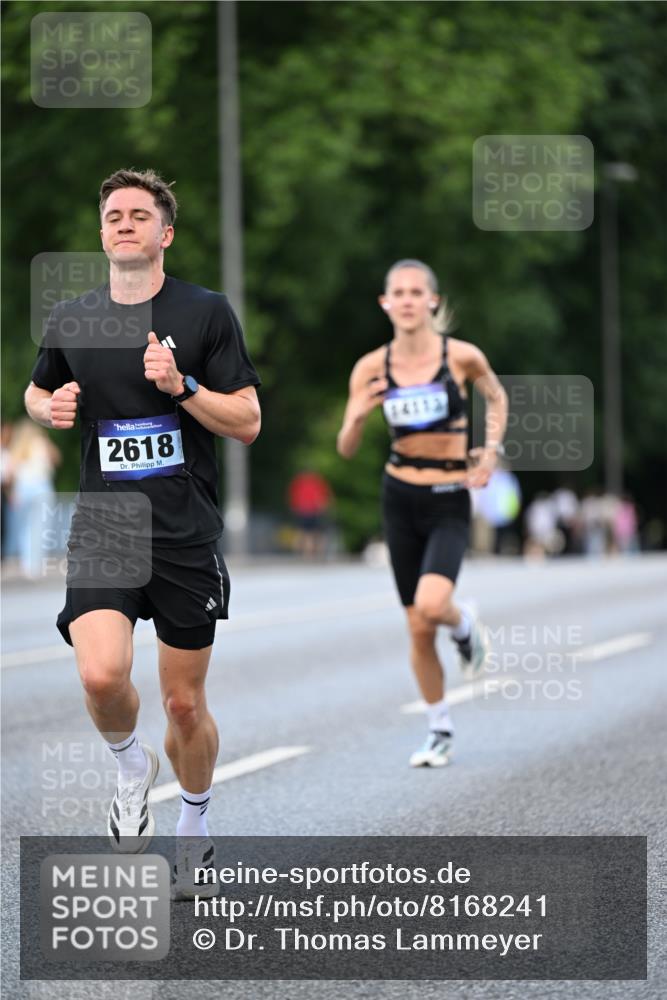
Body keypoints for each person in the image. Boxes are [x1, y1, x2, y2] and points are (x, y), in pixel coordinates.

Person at [24, 168, 261, 896]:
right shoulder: (72, 318)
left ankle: (194, 825)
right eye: (113, 216)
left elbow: (247, 421)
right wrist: (49, 407)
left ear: (165, 233)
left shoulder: (204, 314)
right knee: (100, 675)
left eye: (138, 215)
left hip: (184, 529)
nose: (124, 224)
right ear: (102, 233)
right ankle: (131, 763)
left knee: (184, 704)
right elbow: (36, 390)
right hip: (107, 525)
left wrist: (182, 387)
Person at [337, 259, 507, 767]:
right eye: (398, 293)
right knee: (416, 627)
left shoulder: (462, 357)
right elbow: (346, 445)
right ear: (385, 303)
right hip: (399, 497)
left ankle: (464, 624)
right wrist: (360, 416)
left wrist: (490, 449)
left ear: (432, 300)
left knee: (434, 606)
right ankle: (439, 729)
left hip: (448, 496)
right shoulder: (371, 367)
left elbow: (496, 398)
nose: (408, 300)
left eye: (417, 292)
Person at [7, 418, 60, 578]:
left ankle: (27, 564)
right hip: (41, 486)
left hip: (23, 488)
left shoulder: (17, 448)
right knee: (41, 527)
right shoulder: (42, 443)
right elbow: (56, 459)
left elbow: (11, 473)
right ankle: (36, 565)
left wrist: (12, 494)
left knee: (24, 528)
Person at [287, 469, 332, 557]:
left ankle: (304, 553)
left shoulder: (299, 482)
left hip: (302, 511)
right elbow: (323, 498)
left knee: (304, 532)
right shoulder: (316, 481)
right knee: (313, 533)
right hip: (313, 511)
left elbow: (293, 497)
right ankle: (311, 554)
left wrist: (294, 508)